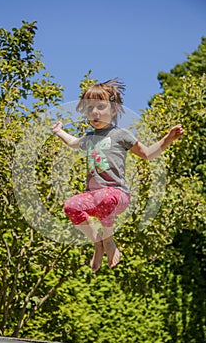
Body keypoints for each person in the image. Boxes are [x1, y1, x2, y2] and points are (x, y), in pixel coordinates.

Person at [51, 78, 184, 271]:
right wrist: (59, 132)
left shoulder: (121, 135)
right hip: (93, 197)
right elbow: (73, 142)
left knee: (106, 197)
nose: (94, 112)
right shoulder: (89, 138)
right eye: (90, 109)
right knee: (70, 206)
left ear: (113, 110)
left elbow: (147, 154)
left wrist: (168, 139)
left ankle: (109, 241)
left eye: (100, 107)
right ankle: (98, 242)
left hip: (117, 195)